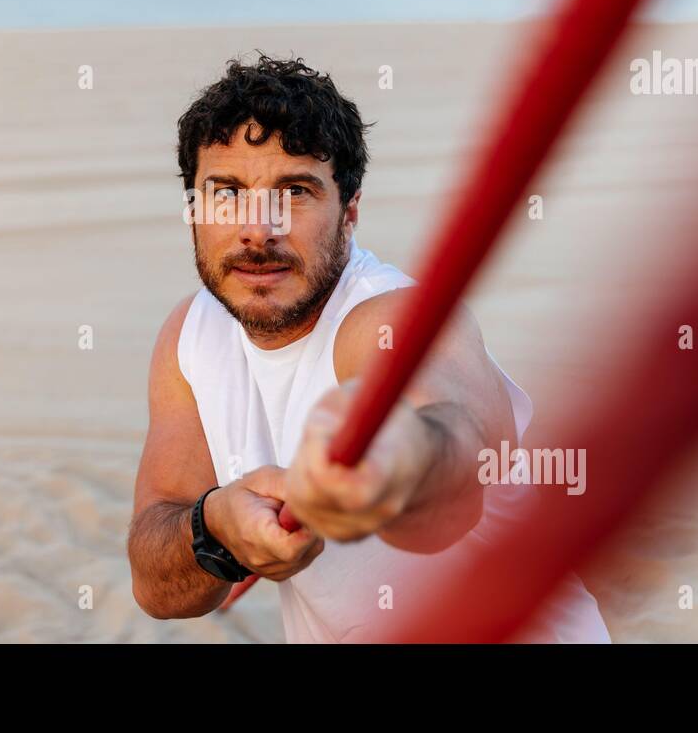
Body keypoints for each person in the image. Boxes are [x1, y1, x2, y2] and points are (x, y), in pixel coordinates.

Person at [127, 54, 609, 642]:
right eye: (226, 192)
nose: (258, 229)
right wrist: (214, 531)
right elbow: (156, 586)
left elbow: (457, 464)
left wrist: (395, 458)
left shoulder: (389, 317)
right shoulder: (191, 335)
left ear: (349, 211)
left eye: (295, 192)